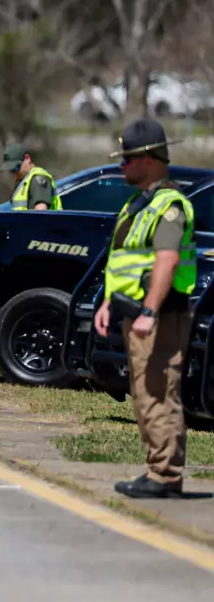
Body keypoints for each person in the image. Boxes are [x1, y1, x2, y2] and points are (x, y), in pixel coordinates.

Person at [94, 120, 195, 499]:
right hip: (132, 312)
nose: (122, 167)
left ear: (150, 159)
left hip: (160, 316)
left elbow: (166, 261)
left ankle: (166, 476)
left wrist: (150, 311)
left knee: (158, 393)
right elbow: (122, 261)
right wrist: (106, 303)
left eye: (127, 160)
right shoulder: (138, 204)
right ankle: (157, 469)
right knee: (145, 393)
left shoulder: (169, 206)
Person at [1, 142, 62, 210]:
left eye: (16, 168)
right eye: (11, 170)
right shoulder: (23, 182)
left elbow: (41, 212)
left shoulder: (38, 179)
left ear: (27, 158)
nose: (15, 172)